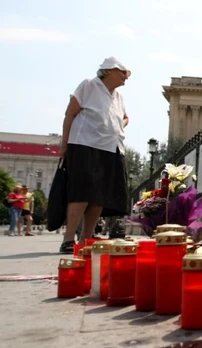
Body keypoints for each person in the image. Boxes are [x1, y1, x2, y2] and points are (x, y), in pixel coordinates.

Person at [58, 57, 131, 254]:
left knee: (99, 196)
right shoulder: (89, 86)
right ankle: (68, 238)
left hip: (111, 147)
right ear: (109, 71)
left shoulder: (118, 96)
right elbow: (70, 113)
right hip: (85, 144)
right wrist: (64, 144)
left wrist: (117, 126)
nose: (126, 77)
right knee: (81, 192)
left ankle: (87, 238)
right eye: (123, 73)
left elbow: (125, 116)